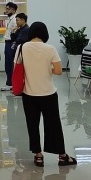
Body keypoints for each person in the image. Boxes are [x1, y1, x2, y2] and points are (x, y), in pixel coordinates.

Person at [16, 21, 77, 167]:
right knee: (53, 124)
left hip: (29, 94)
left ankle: (38, 156)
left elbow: (17, 69)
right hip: (48, 94)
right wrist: (46, 68)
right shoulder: (50, 48)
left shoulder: (22, 47)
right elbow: (59, 71)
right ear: (44, 33)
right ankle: (62, 156)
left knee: (32, 124)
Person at [1, 2, 18, 91]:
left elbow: (16, 32)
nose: (6, 10)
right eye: (6, 8)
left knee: (10, 64)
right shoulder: (10, 19)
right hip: (7, 43)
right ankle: (9, 83)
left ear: (13, 10)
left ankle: (10, 83)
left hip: (11, 43)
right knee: (8, 64)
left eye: (8, 9)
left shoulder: (15, 20)